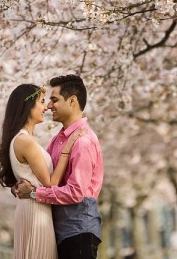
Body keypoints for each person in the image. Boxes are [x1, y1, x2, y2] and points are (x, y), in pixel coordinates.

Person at [14, 75, 104, 259]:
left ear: (72, 101)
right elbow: (43, 176)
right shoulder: (58, 140)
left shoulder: (83, 141)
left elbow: (75, 192)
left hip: (79, 232)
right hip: (61, 233)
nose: (48, 106)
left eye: (55, 100)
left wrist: (32, 193)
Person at [0, 83, 84, 259]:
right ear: (27, 106)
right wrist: (67, 149)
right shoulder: (26, 142)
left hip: (33, 208)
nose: (46, 107)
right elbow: (50, 183)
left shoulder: (22, 139)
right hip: (36, 212)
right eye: (42, 102)